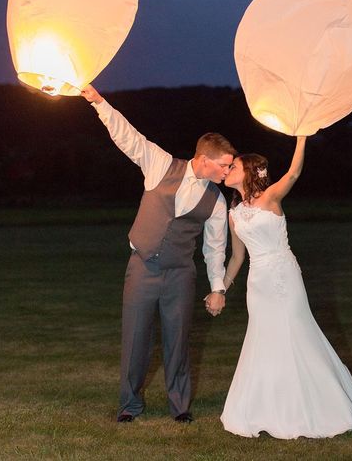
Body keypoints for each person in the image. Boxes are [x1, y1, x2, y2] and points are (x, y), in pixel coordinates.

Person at [81, 85, 236, 423]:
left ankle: (180, 407)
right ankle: (129, 405)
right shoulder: (161, 164)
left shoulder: (217, 201)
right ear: (205, 160)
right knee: (135, 340)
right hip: (142, 268)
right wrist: (99, 102)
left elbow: (214, 249)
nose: (228, 172)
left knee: (178, 342)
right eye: (224, 165)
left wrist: (218, 287)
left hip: (180, 274)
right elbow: (129, 137)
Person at [220, 137, 352, 439]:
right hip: (258, 283)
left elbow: (293, 173)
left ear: (249, 171)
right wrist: (222, 289)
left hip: (283, 275)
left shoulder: (270, 198)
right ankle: (265, 408)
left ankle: (320, 406)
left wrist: (302, 136)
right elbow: (238, 256)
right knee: (263, 339)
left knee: (297, 331)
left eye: (234, 166)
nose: (228, 169)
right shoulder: (234, 213)